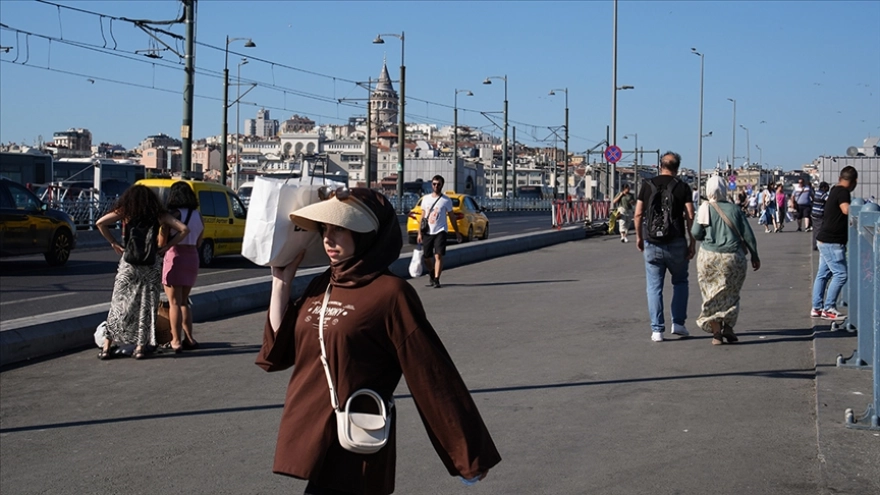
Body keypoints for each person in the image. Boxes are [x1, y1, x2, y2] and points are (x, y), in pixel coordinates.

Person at [256, 187, 501, 495]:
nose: (329, 238)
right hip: (315, 434)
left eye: (341, 229)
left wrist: (468, 454)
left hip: (358, 439)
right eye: (325, 229)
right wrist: (281, 284)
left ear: (367, 234)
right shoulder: (322, 285)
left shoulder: (390, 294)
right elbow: (281, 351)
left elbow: (431, 374)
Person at [95, 185, 190, 360]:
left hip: (129, 263)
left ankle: (107, 348)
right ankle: (139, 348)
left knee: (118, 306)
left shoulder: (126, 211)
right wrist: (168, 246)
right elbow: (184, 229)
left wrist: (113, 242)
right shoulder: (158, 214)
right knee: (146, 307)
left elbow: (100, 223)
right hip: (150, 263)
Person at [634, 151, 696, 342]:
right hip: (677, 242)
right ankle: (678, 324)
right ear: (677, 168)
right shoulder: (683, 187)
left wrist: (639, 237)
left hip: (652, 242)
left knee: (654, 287)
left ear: (660, 166)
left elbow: (638, 214)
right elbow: (690, 216)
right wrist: (691, 242)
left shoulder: (647, 185)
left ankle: (657, 330)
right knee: (680, 282)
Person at [692, 176, 761, 345]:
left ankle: (716, 334)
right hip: (733, 257)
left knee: (711, 294)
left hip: (709, 257)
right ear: (724, 189)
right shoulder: (734, 209)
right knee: (731, 292)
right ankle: (728, 327)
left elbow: (695, 233)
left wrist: (705, 235)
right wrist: (754, 255)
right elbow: (748, 236)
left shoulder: (704, 208)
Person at [159, 182, 204, 352]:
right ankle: (190, 339)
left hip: (175, 256)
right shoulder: (198, 216)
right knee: (185, 302)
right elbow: (199, 241)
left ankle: (176, 341)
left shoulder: (173, 215)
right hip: (192, 257)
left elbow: (162, 242)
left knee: (174, 303)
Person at [811, 166, 858, 321]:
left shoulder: (834, 190)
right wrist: (860, 211)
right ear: (854, 182)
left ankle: (817, 307)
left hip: (824, 238)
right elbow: (846, 210)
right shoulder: (844, 192)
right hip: (832, 241)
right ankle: (829, 308)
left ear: (840, 177)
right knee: (841, 275)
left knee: (823, 274)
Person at [416, 175, 462, 288]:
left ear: (442, 185)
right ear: (432, 185)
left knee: (438, 255)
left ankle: (436, 279)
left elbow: (452, 217)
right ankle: (432, 272)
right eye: (434, 184)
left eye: (438, 184)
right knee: (426, 257)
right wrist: (419, 233)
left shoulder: (446, 200)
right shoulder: (426, 199)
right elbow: (422, 217)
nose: (436, 186)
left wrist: (457, 232)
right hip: (427, 231)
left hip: (440, 231)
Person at [810, 181, 830, 251]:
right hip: (819, 214)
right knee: (819, 230)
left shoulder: (816, 193)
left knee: (815, 230)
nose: (828, 189)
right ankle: (817, 245)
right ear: (824, 188)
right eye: (827, 188)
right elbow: (830, 200)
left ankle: (815, 245)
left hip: (814, 213)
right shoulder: (823, 194)